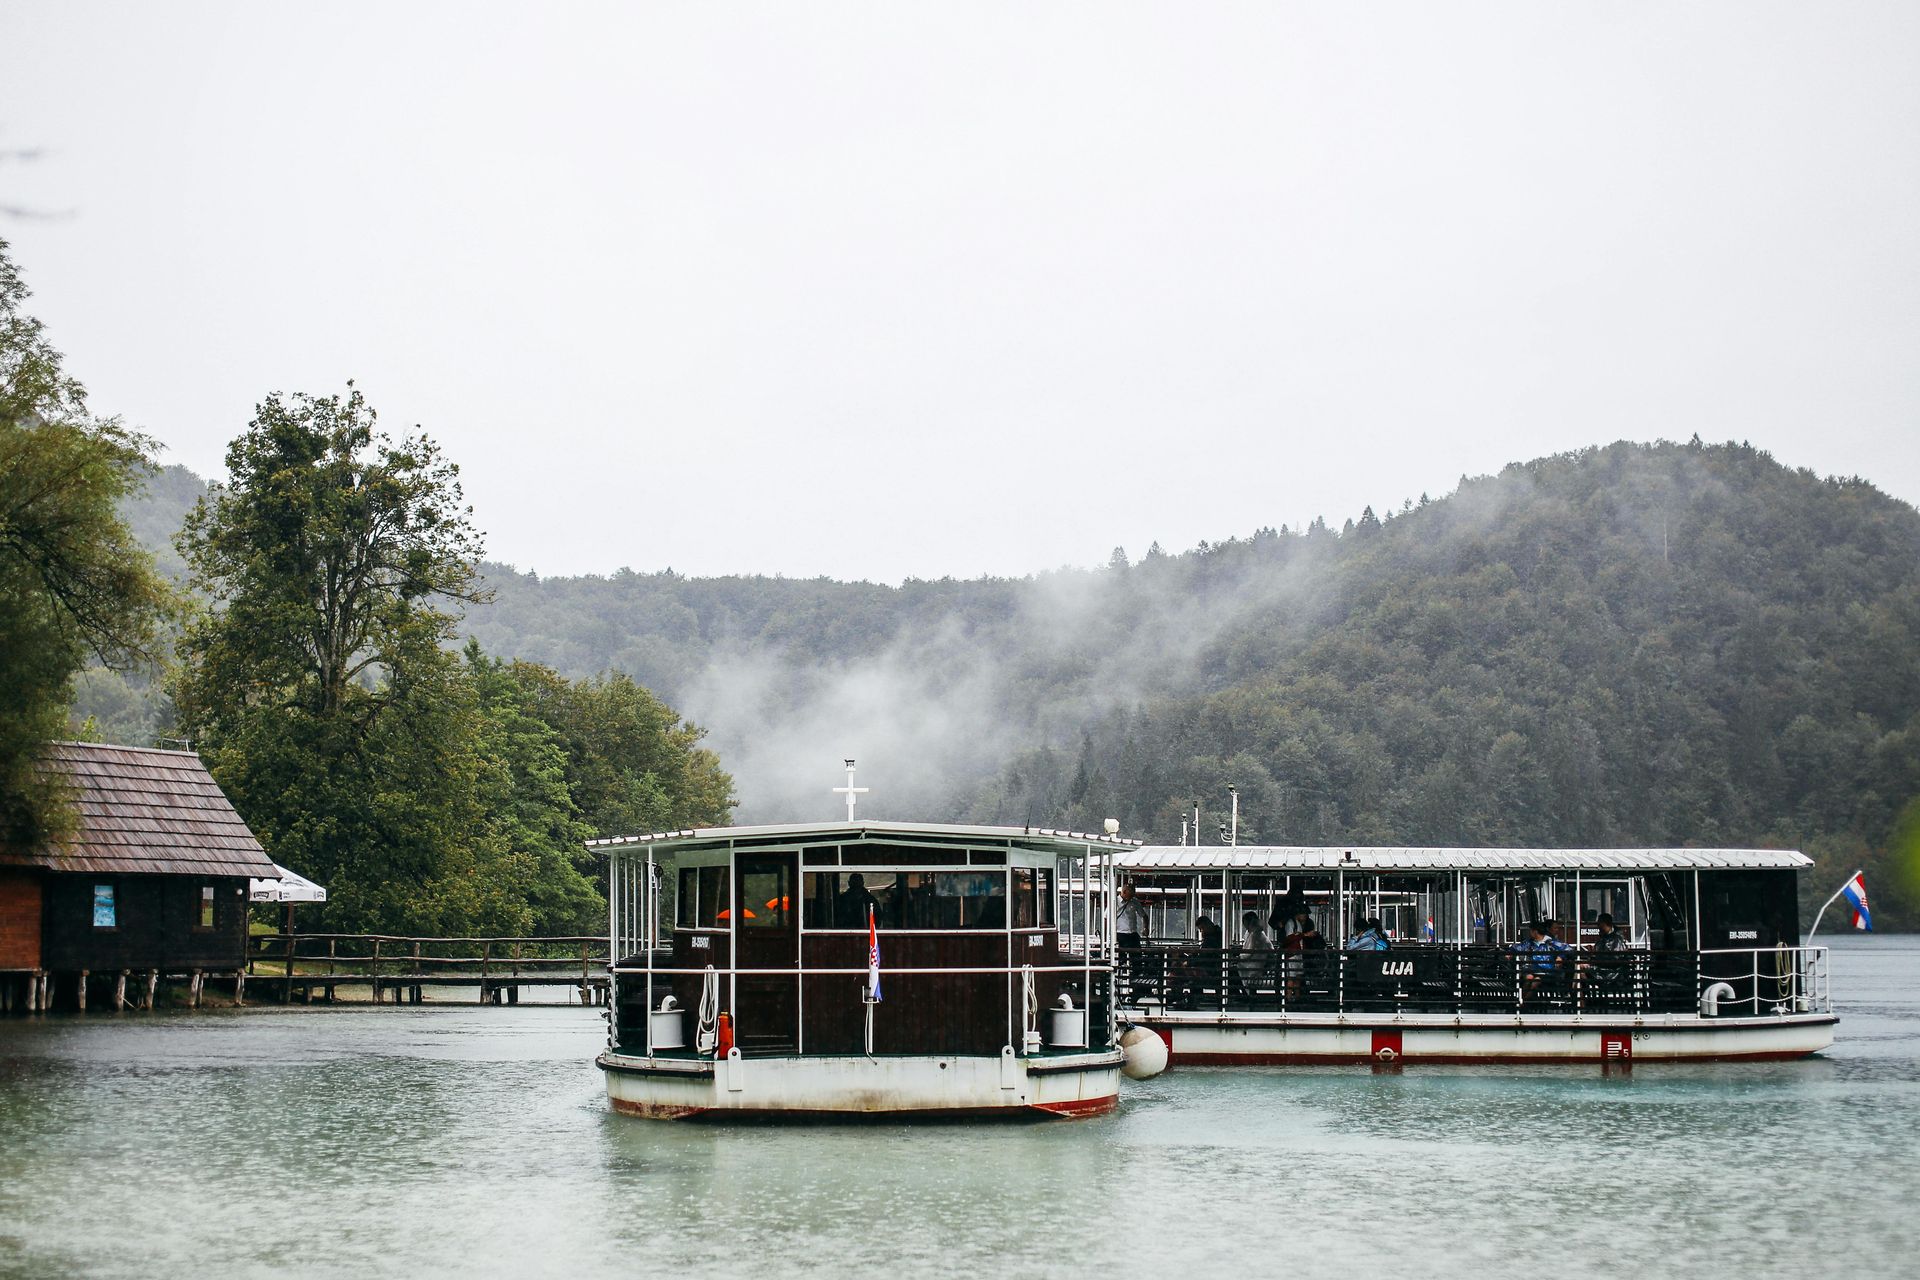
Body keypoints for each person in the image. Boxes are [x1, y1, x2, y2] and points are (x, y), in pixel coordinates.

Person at [1237, 910, 1271, 992]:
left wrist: (1238, 957)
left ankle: (1243, 995)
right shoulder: (1260, 933)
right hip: (1259, 964)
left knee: (1232, 971)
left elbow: (1249, 952)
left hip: (1253, 966)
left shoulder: (1255, 934)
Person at [1114, 880, 1149, 950]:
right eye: (1130, 896)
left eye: (1132, 896)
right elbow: (1105, 917)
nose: (1131, 898)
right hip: (1120, 934)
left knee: (1136, 956)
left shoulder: (1134, 901)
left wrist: (1145, 927)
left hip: (1133, 934)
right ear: (1124, 892)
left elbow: (1144, 916)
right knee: (1121, 957)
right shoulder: (1115, 902)